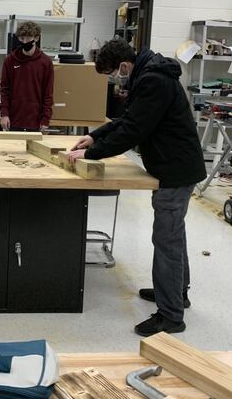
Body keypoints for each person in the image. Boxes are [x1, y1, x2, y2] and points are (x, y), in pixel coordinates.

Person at [67, 39, 206, 336]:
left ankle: (170, 315)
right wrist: (95, 137)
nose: (116, 81)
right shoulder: (149, 73)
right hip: (174, 166)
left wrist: (89, 154)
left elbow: (134, 130)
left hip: (175, 170)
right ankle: (177, 293)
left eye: (114, 75)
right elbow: (129, 119)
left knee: (166, 240)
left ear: (124, 66)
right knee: (173, 236)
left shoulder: (153, 80)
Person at [0, 21, 54, 132]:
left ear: (37, 38)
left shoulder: (46, 62)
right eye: (22, 38)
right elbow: (4, 89)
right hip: (13, 120)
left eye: (28, 38)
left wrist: (45, 119)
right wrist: (4, 114)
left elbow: (48, 94)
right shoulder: (10, 60)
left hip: (36, 121)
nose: (24, 41)